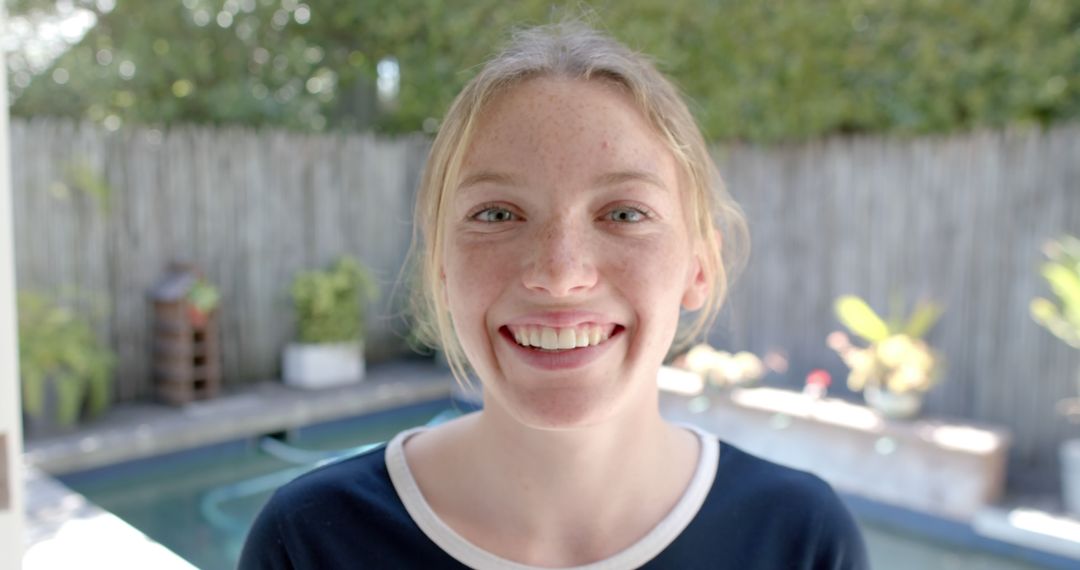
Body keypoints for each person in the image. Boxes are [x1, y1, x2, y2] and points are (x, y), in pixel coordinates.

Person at [240, 21, 869, 570]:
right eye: (496, 214)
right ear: (438, 265)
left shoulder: (801, 540)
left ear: (699, 266)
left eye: (624, 214)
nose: (560, 274)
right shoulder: (310, 543)